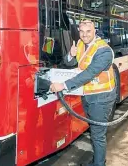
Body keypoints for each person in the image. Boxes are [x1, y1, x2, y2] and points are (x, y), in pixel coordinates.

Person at [50, 19, 116, 166]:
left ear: (95, 32)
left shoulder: (103, 50)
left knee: (98, 136)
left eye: (88, 31)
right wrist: (71, 55)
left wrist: (64, 85)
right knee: (94, 133)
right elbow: (68, 63)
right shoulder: (80, 44)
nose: (84, 35)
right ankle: (97, 161)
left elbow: (89, 73)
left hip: (101, 97)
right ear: (78, 31)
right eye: (82, 31)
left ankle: (99, 164)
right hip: (87, 96)